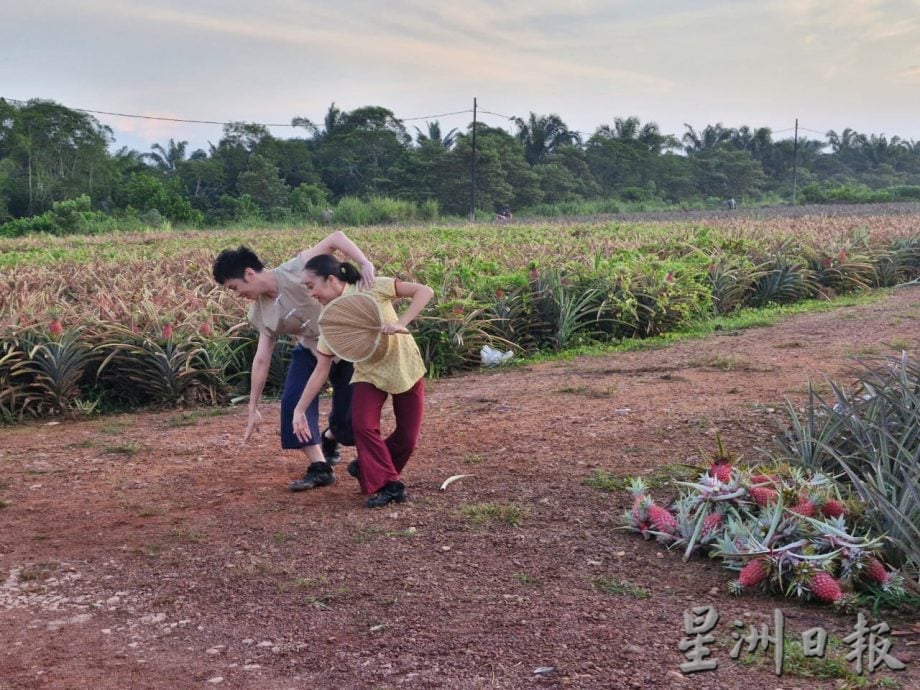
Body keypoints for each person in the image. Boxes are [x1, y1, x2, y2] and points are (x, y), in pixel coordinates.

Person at [211, 231, 374, 492]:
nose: (236, 294)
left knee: (349, 423)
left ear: (249, 273)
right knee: (291, 401)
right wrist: (252, 407)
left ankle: (331, 437)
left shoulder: (297, 268)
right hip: (311, 351)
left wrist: (365, 262)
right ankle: (320, 468)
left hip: (343, 349)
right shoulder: (259, 311)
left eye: (234, 287)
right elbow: (262, 358)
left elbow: (336, 238)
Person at [291, 255, 433, 508]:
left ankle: (368, 467)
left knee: (408, 438)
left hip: (405, 365)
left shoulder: (372, 286)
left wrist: (400, 323)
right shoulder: (330, 320)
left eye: (311, 286)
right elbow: (321, 369)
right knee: (363, 425)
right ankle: (391, 485)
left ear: (331, 279)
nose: (311, 294)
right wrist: (299, 409)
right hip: (369, 373)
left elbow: (424, 291)